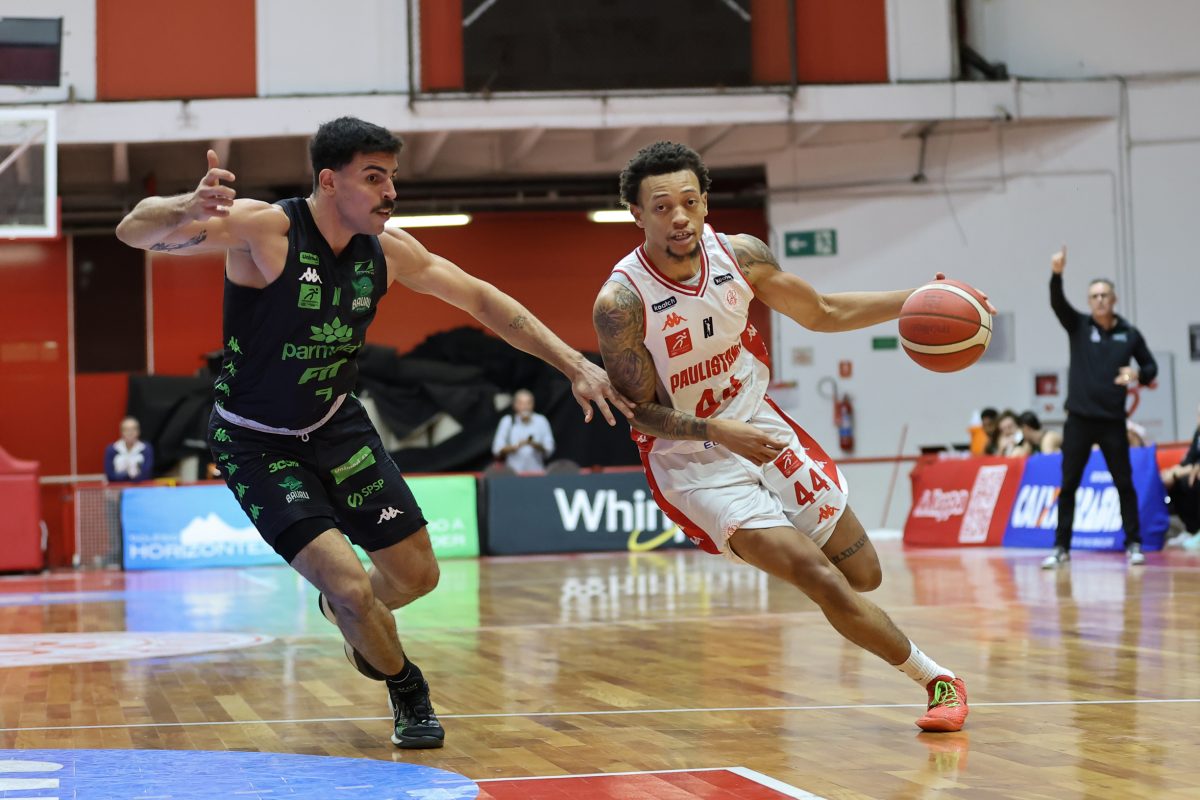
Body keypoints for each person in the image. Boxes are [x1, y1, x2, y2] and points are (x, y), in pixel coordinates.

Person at [115, 117, 633, 749]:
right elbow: (133, 231)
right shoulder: (265, 229)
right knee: (351, 586)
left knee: (418, 577)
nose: (390, 191)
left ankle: (346, 614)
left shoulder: (388, 251)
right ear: (330, 181)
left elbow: (482, 301)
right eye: (373, 177)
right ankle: (407, 687)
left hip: (335, 424)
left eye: (392, 177)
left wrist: (575, 364)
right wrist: (183, 208)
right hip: (255, 441)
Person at [592, 141, 991, 733]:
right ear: (637, 214)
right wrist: (716, 430)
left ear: (705, 203)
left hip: (762, 426)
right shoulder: (621, 302)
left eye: (689, 202)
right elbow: (639, 413)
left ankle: (845, 600)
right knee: (817, 577)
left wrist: (919, 300)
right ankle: (939, 681)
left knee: (864, 576)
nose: (678, 217)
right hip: (694, 460)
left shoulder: (741, 256)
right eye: (662, 206)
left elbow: (823, 311)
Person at [1041, 246, 1158, 569]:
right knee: (1068, 486)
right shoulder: (1078, 326)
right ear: (1089, 301)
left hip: (1112, 422)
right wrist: (1056, 274)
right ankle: (1061, 547)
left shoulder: (1129, 334)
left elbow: (1151, 367)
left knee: (1124, 483)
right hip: (1079, 420)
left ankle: (1133, 544)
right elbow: (1057, 303)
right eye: (1094, 296)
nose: (1100, 300)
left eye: (1105, 295)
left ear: (1114, 299)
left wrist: (1137, 374)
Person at [1162, 402, 1200, 548]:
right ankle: (1191, 529)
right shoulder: (1198, 434)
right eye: (1198, 415)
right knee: (1175, 483)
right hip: (1192, 473)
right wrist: (1172, 472)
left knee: (1193, 481)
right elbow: (1189, 460)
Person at [492, 389, 555, 473]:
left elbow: (549, 449)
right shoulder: (507, 421)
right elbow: (496, 450)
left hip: (537, 473)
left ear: (533, 404)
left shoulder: (541, 420)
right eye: (521, 403)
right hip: (513, 474)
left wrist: (535, 445)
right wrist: (515, 447)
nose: (525, 407)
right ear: (515, 405)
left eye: (528, 403)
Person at [104, 416, 154, 482]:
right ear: (121, 432)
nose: (130, 433)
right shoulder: (112, 449)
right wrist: (128, 475)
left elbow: (147, 474)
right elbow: (110, 475)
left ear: (138, 431)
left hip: (140, 486)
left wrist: (122, 476)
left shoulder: (146, 448)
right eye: (126, 430)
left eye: (133, 429)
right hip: (117, 486)